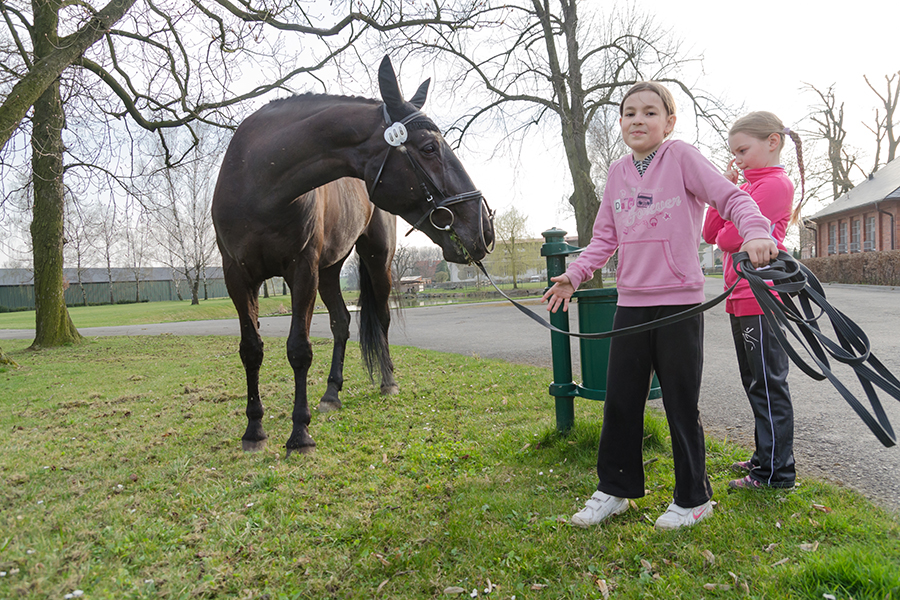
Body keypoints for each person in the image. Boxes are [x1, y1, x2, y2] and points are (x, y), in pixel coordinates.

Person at [542, 82, 778, 531]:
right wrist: (573, 275)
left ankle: (694, 498)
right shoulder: (616, 173)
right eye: (629, 112)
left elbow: (732, 198)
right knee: (621, 402)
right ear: (620, 122)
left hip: (679, 304)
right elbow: (604, 240)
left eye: (650, 112)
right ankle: (615, 489)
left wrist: (756, 231)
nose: (638, 120)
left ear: (669, 122)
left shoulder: (682, 157)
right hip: (630, 303)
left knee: (680, 404)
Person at [702, 111, 805, 490]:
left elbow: (731, 239)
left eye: (743, 150)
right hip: (741, 296)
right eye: (734, 153)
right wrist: (722, 192)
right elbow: (712, 232)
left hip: (761, 297)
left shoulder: (776, 185)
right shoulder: (746, 187)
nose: (738, 159)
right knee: (755, 382)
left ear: (772, 142)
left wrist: (734, 217)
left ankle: (777, 474)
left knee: (767, 383)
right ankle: (767, 456)